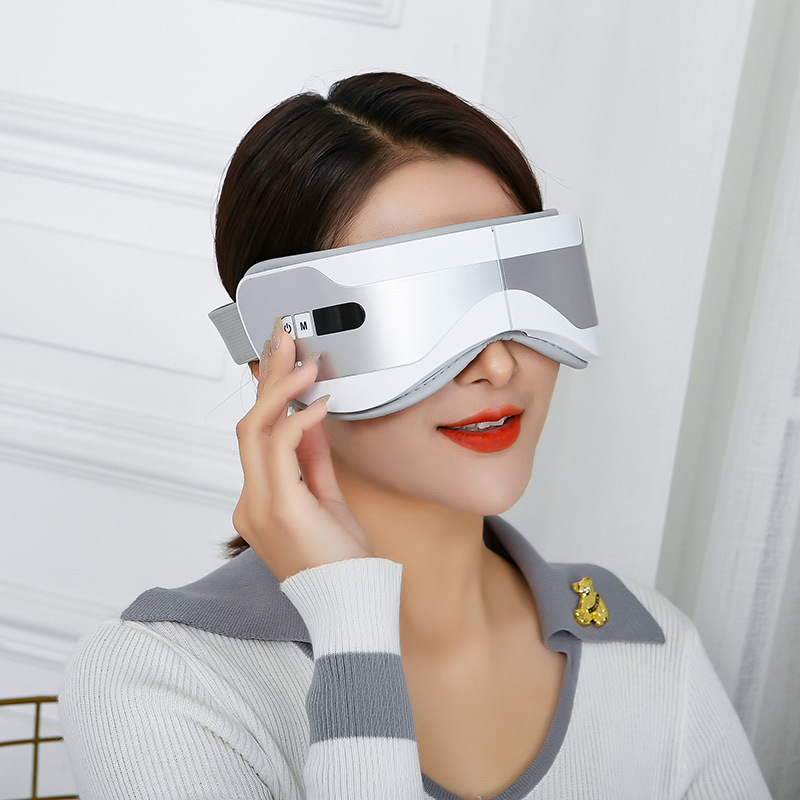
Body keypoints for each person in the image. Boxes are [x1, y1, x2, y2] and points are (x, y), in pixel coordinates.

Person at [60, 72, 770, 799]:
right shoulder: (165, 683)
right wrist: (351, 622)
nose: (499, 365)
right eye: (417, 313)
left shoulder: (648, 646)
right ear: (275, 353)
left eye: (523, 288)